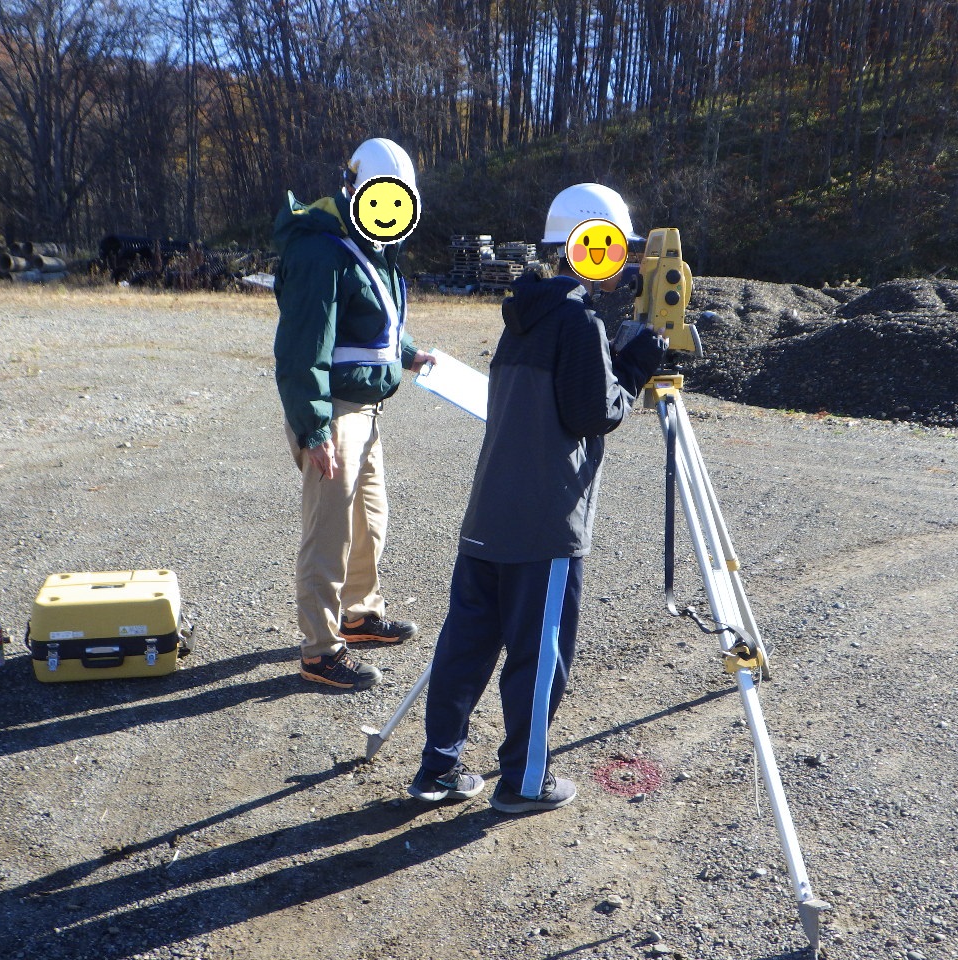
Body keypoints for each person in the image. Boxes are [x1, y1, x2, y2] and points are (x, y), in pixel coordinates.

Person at [408, 183, 666, 812]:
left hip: (489, 516)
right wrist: (636, 361)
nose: (624, 264)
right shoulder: (576, 322)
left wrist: (609, 340)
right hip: (545, 524)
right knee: (539, 656)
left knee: (465, 646)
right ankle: (524, 782)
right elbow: (593, 413)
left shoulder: (527, 311)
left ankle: (436, 770)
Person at [273, 137, 435, 691]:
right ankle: (320, 649)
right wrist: (313, 428)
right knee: (330, 531)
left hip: (365, 410)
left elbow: (376, 319)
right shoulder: (321, 253)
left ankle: (359, 614)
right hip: (334, 413)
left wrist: (409, 353)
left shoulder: (369, 248)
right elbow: (302, 351)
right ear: (355, 189)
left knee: (370, 520)